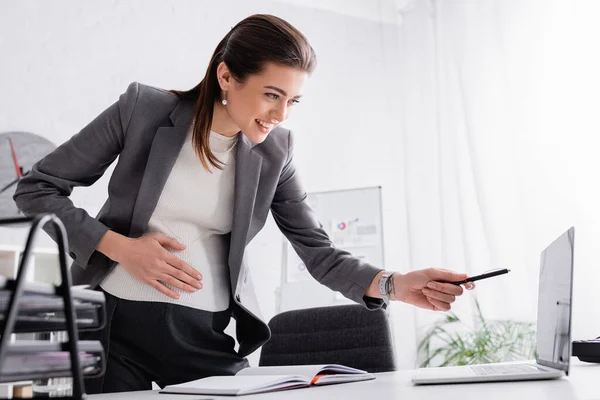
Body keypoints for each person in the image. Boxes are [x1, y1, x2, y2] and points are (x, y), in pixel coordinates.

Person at [13, 14, 474, 394]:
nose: (281, 115)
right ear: (226, 76)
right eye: (272, 94)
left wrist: (394, 284)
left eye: (293, 100)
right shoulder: (143, 111)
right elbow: (37, 189)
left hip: (203, 336)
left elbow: (319, 252)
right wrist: (121, 247)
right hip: (114, 328)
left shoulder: (277, 152)